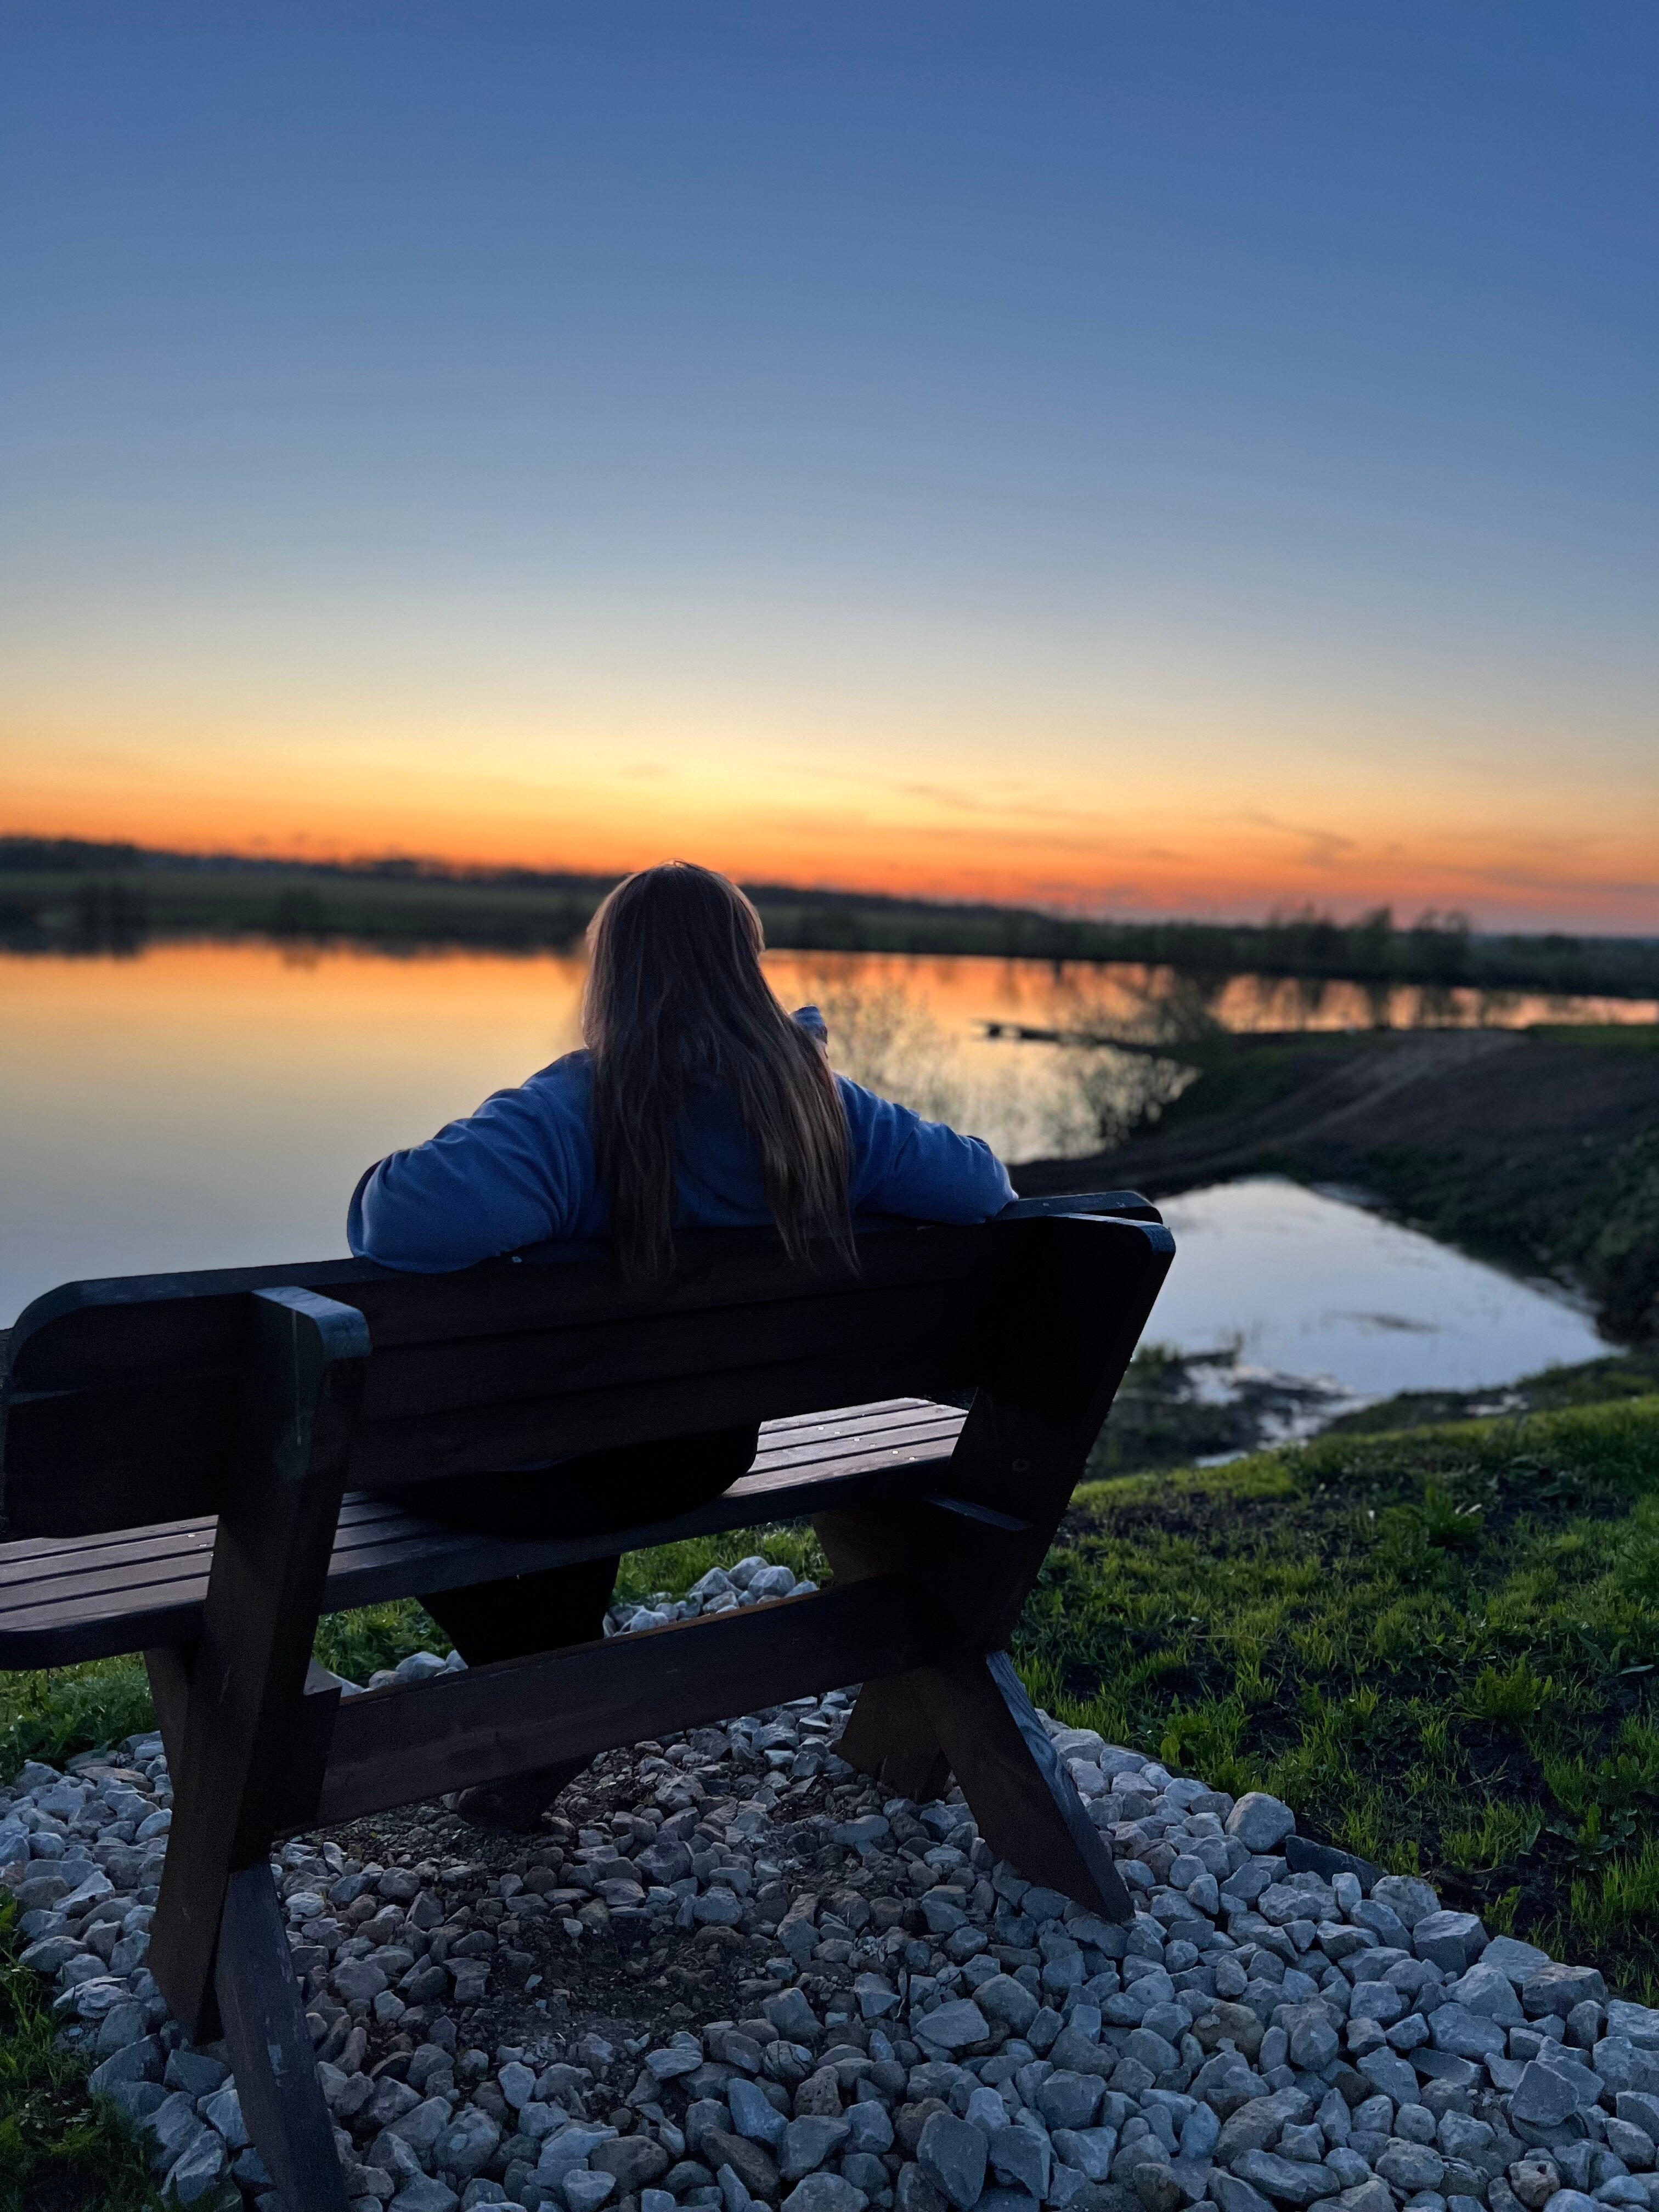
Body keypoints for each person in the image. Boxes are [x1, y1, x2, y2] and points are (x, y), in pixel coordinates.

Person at [347, 860, 1014, 1826]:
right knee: (570, 1437)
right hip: (698, 1457)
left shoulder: (576, 1110)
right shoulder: (820, 1108)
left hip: (550, 1466)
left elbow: (395, 1223)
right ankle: (553, 1669)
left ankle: (544, 1679)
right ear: (748, 971)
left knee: (380, 1451)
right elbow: (984, 1190)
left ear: (611, 976)